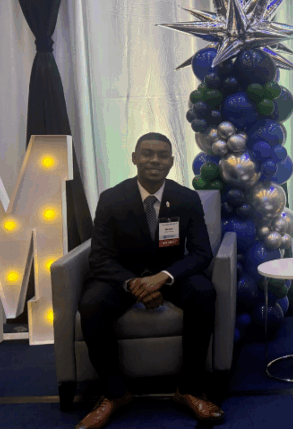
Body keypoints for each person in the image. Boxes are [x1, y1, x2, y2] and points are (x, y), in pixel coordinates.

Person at [75, 133, 223, 429]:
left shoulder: (186, 198)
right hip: (123, 277)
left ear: (171, 161)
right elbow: (100, 257)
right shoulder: (112, 199)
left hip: (170, 276)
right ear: (134, 158)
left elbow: (201, 253)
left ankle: (189, 389)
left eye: (162, 155)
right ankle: (115, 393)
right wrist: (135, 284)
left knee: (204, 292)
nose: (155, 160)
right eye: (147, 153)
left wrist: (162, 278)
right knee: (92, 303)